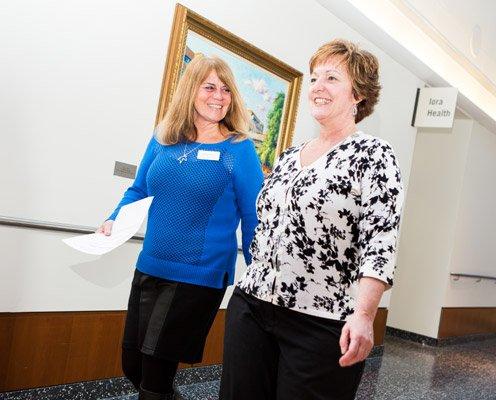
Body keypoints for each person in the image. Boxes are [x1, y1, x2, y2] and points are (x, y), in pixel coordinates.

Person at [219, 39, 404, 400]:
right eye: (315, 77)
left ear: (358, 95)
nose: (318, 86)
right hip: (252, 307)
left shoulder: (374, 155)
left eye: (332, 78)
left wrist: (365, 315)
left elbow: (380, 242)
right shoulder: (289, 156)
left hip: (320, 321)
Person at [97, 55, 263, 400]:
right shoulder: (164, 138)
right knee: (134, 367)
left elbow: (254, 216)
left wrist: (259, 272)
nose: (219, 96)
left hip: (197, 277)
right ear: (191, 90)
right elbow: (139, 188)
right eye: (210, 87)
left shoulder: (239, 149)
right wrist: (115, 217)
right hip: (150, 266)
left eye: (226, 89)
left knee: (154, 379)